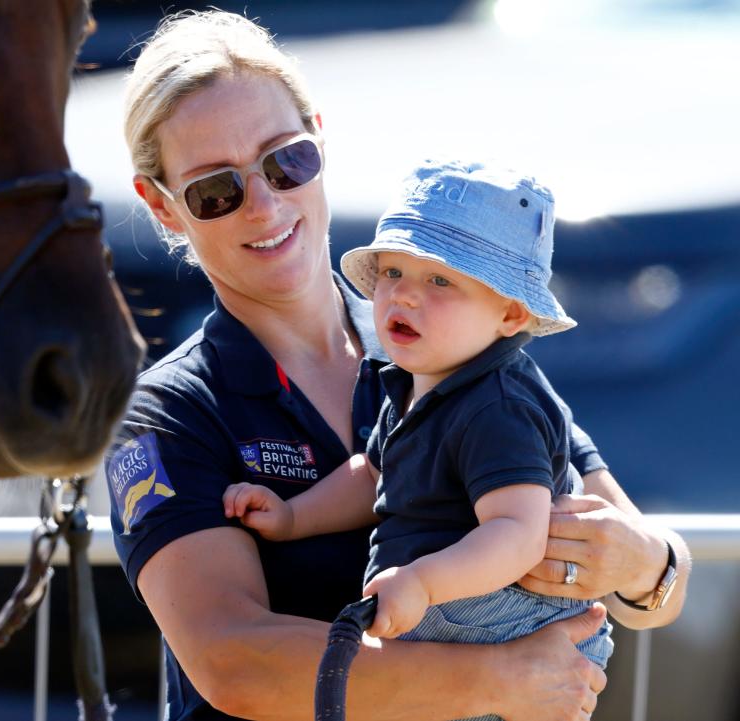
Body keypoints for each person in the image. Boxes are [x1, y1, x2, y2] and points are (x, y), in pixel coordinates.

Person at [104, 10, 690, 721]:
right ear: (162, 207)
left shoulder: (454, 342)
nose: (265, 204)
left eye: (287, 160)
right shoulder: (167, 413)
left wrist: (644, 564)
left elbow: (658, 584)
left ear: (319, 136)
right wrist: (496, 677)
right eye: (215, 191)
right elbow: (236, 661)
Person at [221, 161, 614, 683]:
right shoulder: (415, 382)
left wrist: (423, 583)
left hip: (499, 617)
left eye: (439, 280)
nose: (404, 295)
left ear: (512, 315)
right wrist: (294, 516)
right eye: (392, 273)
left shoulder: (497, 405)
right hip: (443, 611)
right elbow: (375, 476)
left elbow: (517, 533)